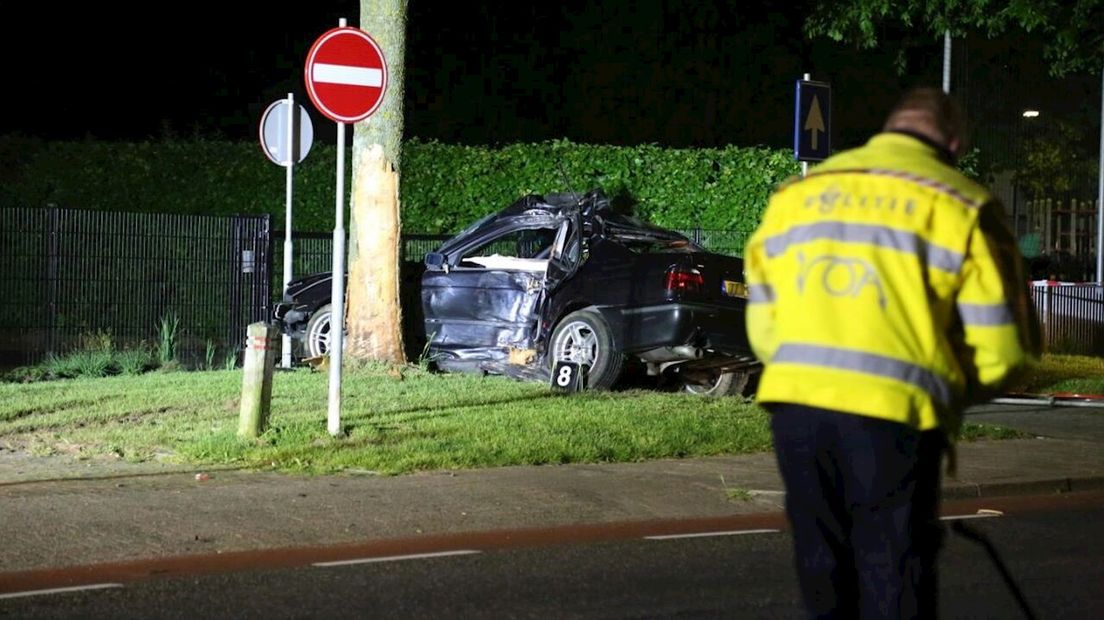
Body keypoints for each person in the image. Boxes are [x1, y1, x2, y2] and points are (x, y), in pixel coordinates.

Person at [743, 87, 1040, 619]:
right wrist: (948, 391)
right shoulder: (962, 204)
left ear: (889, 127)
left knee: (822, 568)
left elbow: (764, 323)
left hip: (796, 413)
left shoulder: (798, 195)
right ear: (952, 140)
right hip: (894, 420)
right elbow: (1002, 350)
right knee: (893, 573)